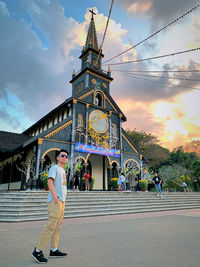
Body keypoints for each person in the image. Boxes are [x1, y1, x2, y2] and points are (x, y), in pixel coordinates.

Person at [32, 149, 68, 264]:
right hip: (55, 201)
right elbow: (49, 182)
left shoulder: (63, 170)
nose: (64, 158)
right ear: (57, 157)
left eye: (66, 156)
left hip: (62, 202)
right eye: (62, 156)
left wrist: (62, 200)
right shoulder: (54, 168)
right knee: (50, 226)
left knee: (58, 227)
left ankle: (54, 249)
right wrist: (55, 197)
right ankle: (37, 251)